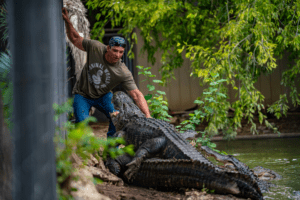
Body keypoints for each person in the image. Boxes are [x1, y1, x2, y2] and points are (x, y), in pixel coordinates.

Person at [62, 8, 151, 137]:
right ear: (108, 48)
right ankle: (86, 151)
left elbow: (136, 94)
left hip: (104, 96)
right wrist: (67, 21)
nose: (117, 55)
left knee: (117, 119)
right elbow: (75, 39)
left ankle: (111, 151)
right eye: (115, 50)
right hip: (83, 94)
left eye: (121, 52)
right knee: (82, 123)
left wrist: (148, 116)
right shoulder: (96, 48)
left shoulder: (123, 72)